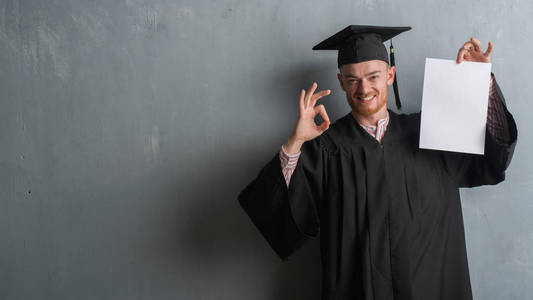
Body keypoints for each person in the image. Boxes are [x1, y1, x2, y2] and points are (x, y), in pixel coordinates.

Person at [238, 25, 517, 300]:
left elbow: (493, 157)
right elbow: (276, 215)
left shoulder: (430, 132)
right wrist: (295, 142)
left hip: (432, 286)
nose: (364, 88)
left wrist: (482, 81)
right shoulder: (326, 148)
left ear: (390, 74)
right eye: (353, 79)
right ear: (341, 82)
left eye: (373, 76)